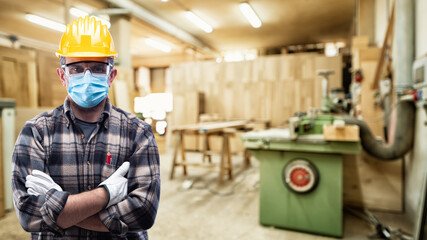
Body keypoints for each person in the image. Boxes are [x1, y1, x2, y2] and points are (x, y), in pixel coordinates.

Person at [11, 16, 160, 239]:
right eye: (77, 68)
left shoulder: (138, 132)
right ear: (63, 75)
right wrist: (106, 195)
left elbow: (143, 214)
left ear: (111, 75)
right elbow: (29, 216)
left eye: (98, 69)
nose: (87, 77)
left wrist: (59, 209)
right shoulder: (36, 133)